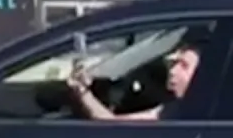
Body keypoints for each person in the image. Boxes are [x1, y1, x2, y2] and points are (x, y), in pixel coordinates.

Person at [67, 42, 200, 121]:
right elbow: (111, 122)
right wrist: (83, 92)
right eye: (173, 64)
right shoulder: (174, 109)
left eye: (184, 66)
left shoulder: (190, 112)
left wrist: (83, 92)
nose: (173, 71)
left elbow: (112, 125)